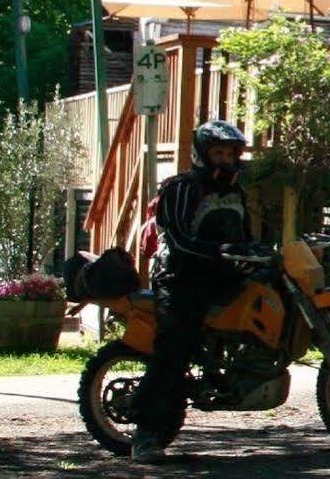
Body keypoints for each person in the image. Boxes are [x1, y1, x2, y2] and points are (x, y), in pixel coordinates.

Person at [130, 121, 254, 463]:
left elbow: (246, 235)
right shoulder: (181, 188)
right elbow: (179, 239)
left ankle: (231, 372)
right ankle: (146, 434)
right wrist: (218, 252)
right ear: (202, 154)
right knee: (175, 348)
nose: (226, 160)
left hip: (222, 278)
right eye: (218, 153)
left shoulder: (235, 192)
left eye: (230, 153)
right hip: (180, 279)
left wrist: (260, 253)